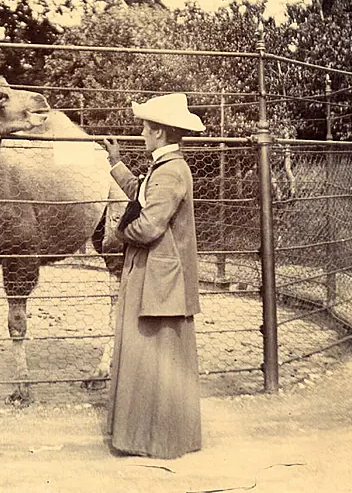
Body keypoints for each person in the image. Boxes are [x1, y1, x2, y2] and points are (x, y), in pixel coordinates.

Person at [101, 93, 205, 460]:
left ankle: (156, 440)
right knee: (152, 357)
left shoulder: (172, 171)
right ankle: (151, 437)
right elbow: (142, 195)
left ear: (159, 131)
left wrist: (117, 231)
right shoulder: (164, 168)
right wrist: (116, 164)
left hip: (160, 279)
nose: (142, 132)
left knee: (154, 355)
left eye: (146, 127)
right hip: (155, 275)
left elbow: (148, 226)